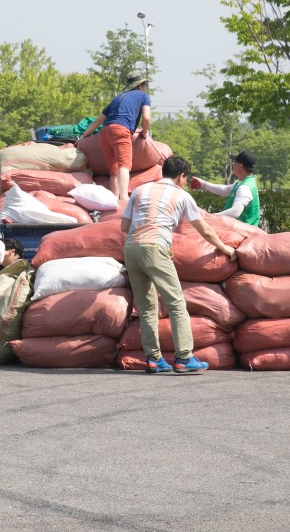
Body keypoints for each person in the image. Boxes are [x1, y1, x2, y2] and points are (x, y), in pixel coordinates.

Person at [121, 155, 236, 374]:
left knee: (146, 308)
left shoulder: (139, 191)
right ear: (182, 176)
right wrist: (225, 248)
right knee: (176, 304)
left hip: (131, 249)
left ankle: (153, 359)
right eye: (186, 178)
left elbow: (124, 226)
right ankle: (184, 357)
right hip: (155, 249)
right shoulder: (181, 196)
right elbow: (205, 229)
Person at [80, 73, 152, 202]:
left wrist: (82, 137)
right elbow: (146, 118)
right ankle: (124, 198)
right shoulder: (143, 96)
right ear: (140, 85)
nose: (145, 87)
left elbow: (97, 122)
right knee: (124, 165)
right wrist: (145, 132)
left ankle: (114, 199)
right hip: (120, 131)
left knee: (114, 169)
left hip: (105, 134)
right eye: (145, 84)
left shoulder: (118, 98)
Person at [189, 150, 261, 226]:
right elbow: (225, 190)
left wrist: (211, 217)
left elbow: (235, 211)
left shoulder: (244, 188)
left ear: (240, 166)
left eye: (234, 161)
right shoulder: (244, 182)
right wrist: (203, 184)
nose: (232, 164)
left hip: (243, 233)